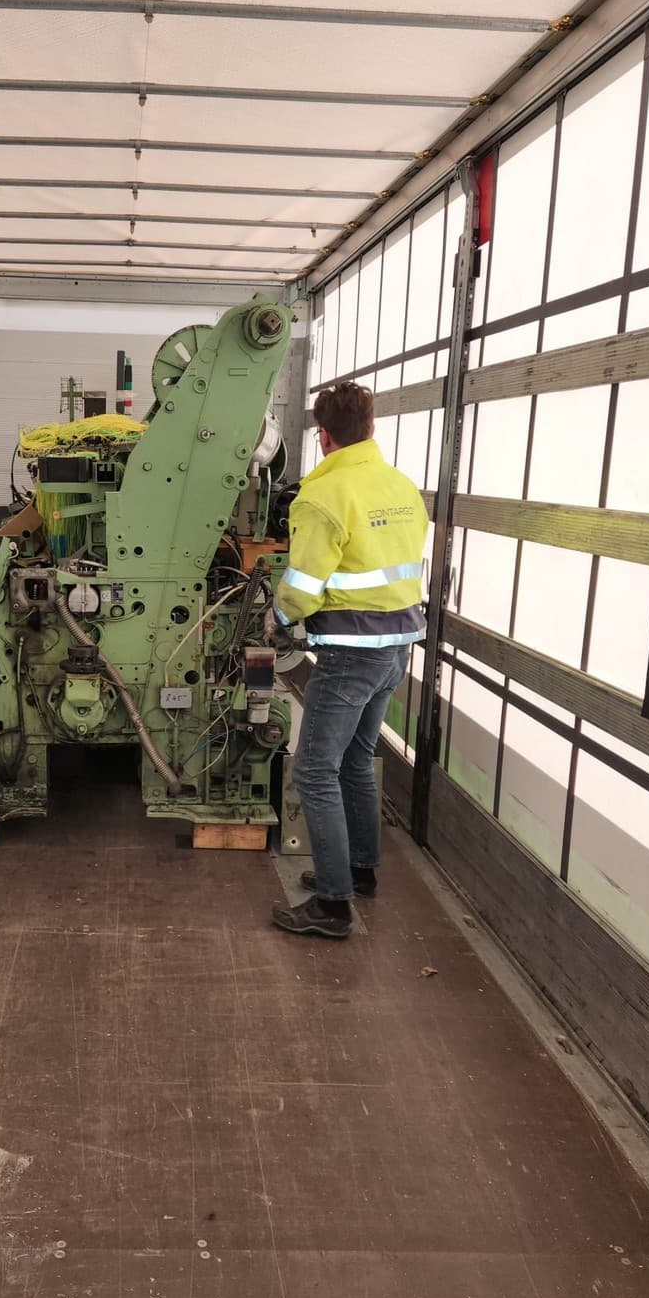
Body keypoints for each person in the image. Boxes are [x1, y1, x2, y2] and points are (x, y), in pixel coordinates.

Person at [266, 380, 429, 938]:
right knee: (357, 762)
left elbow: (304, 585)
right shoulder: (402, 487)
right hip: (397, 648)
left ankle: (334, 906)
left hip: (348, 653)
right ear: (373, 428)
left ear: (322, 436)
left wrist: (279, 617)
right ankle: (360, 872)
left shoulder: (323, 496)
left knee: (314, 769)